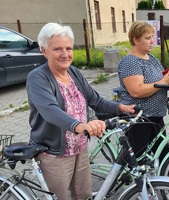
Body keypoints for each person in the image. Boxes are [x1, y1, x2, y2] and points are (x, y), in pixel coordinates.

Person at [26, 22, 135, 200]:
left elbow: (95, 100)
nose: (65, 54)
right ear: (44, 51)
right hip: (54, 153)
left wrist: (120, 107)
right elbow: (49, 110)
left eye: (68, 48)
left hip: (80, 148)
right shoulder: (37, 77)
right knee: (58, 197)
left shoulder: (74, 73)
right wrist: (79, 126)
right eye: (57, 49)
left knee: (83, 195)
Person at [118, 21, 169, 166]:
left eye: (153, 37)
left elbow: (160, 80)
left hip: (155, 116)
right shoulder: (130, 62)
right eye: (148, 38)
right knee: (136, 160)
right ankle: (124, 183)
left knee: (163, 154)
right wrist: (163, 82)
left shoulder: (152, 58)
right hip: (139, 118)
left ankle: (161, 183)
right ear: (136, 40)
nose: (152, 42)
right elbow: (136, 91)